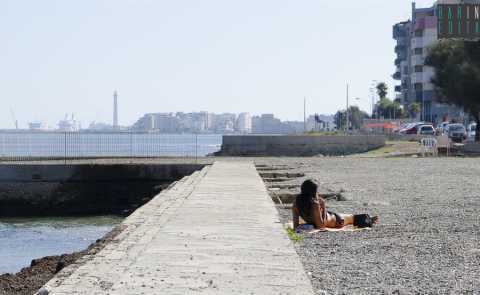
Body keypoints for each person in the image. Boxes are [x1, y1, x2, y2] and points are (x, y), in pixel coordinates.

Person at [292, 179, 378, 230]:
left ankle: (369, 219)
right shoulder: (315, 204)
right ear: (314, 192)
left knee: (353, 217)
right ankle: (369, 219)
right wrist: (323, 205)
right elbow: (321, 226)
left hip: (332, 217)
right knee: (352, 217)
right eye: (317, 191)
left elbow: (295, 226)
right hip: (335, 220)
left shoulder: (296, 203)